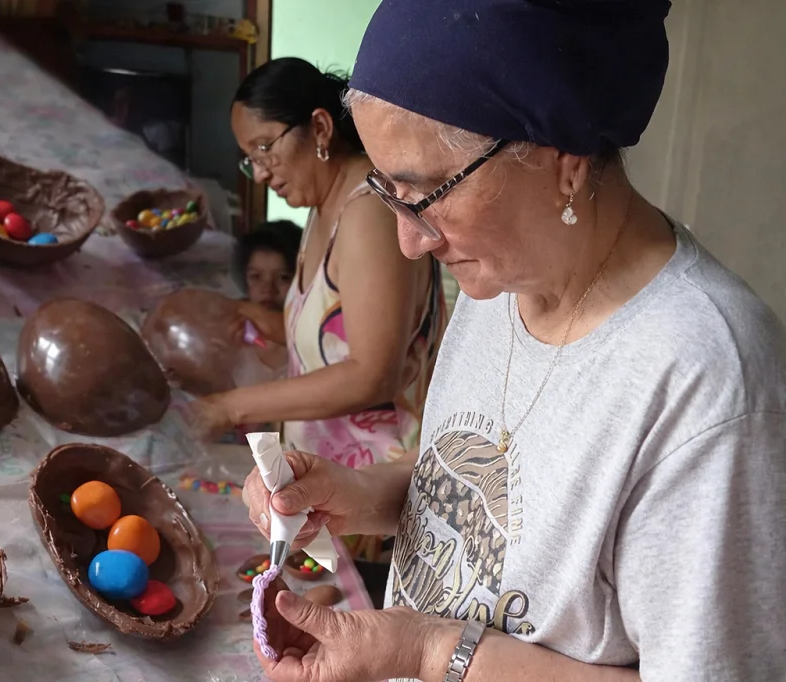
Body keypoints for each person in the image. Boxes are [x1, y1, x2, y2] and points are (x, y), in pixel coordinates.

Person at [242, 2, 786, 682]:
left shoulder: (706, 378)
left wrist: (431, 651)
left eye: (425, 193)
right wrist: (358, 492)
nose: (410, 241)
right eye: (387, 192)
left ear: (566, 160)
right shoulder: (503, 278)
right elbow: (499, 490)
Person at [193, 56, 448, 566]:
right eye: (250, 158)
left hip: (380, 490)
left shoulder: (369, 213)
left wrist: (231, 406)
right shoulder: (321, 208)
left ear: (319, 127)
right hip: (332, 481)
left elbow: (373, 375)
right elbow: (329, 338)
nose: (261, 172)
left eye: (265, 148)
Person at [236, 219, 303, 311]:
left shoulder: (311, 322)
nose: (268, 289)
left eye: (283, 277)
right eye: (256, 276)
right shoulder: (235, 321)